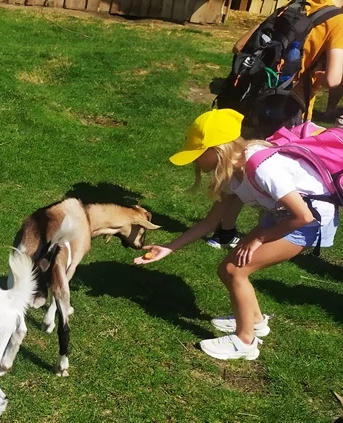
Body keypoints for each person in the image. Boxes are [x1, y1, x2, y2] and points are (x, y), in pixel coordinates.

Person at [135, 108, 338, 361]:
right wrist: (169, 247)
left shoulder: (263, 168)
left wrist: (259, 239)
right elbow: (211, 221)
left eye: (198, 155)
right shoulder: (231, 172)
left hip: (308, 223)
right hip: (280, 216)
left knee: (235, 270)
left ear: (218, 150)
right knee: (227, 269)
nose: (195, 162)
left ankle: (245, 342)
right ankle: (255, 320)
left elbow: (303, 216)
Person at [211, 0, 343, 249]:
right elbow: (335, 79)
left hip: (255, 98)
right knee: (276, 171)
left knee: (241, 165)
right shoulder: (337, 20)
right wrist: (313, 74)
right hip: (289, 107)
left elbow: (239, 46)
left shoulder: (292, 6)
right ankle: (267, 237)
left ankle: (223, 230)